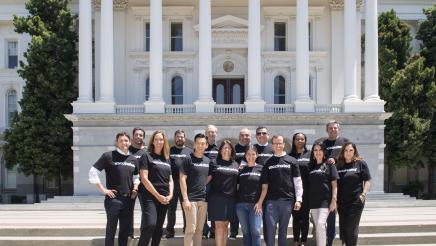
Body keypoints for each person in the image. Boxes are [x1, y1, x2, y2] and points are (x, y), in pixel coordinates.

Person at [88, 132, 139, 246]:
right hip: (113, 199)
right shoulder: (108, 156)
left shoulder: (133, 159)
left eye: (126, 140)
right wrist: (103, 190)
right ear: (117, 142)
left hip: (128, 200)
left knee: (124, 231)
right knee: (111, 230)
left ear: (130, 142)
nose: (123, 143)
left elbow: (136, 176)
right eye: (121, 140)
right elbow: (93, 172)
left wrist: (135, 188)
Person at [263, 135, 303, 246]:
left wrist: (298, 199)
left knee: (283, 230)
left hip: (287, 201)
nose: (278, 145)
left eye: (280, 143)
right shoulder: (268, 162)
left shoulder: (292, 161)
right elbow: (264, 185)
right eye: (275, 143)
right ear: (272, 145)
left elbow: (298, 182)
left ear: (284, 144)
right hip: (271, 201)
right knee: (270, 230)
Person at [137, 130, 173, 246]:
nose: (159, 142)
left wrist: (170, 195)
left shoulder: (167, 158)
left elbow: (170, 180)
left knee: (158, 228)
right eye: (156, 139)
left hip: (164, 197)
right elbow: (144, 178)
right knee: (150, 225)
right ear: (152, 141)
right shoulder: (146, 156)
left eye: (161, 139)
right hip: (150, 196)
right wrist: (158, 196)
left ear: (164, 142)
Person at [320, 121, 349, 246]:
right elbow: (320, 161)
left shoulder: (344, 142)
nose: (333, 130)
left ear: (339, 129)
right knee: (331, 213)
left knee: (343, 214)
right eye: (330, 128)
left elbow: (350, 157)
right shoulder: (323, 144)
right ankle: (329, 240)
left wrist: (335, 159)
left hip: (343, 181)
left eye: (335, 128)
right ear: (327, 130)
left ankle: (344, 239)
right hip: (329, 182)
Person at [337, 142, 371, 246]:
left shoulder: (360, 163)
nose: (348, 153)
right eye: (346, 150)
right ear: (343, 152)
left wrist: (363, 194)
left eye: (351, 150)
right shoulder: (339, 165)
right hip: (341, 202)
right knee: (343, 226)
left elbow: (368, 180)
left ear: (354, 151)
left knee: (351, 227)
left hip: (355, 201)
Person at [180, 133, 211, 246]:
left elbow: (210, 175)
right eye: (198, 143)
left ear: (206, 145)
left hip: (203, 200)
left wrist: (203, 184)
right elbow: (182, 179)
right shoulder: (188, 159)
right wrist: (185, 199)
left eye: (203, 143)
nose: (200, 146)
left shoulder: (207, 161)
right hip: (191, 200)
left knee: (199, 230)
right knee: (190, 230)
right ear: (194, 144)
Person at [208, 140, 239, 246]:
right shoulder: (214, 163)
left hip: (231, 199)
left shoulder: (235, 164)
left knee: (226, 225)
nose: (227, 150)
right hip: (217, 198)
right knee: (219, 226)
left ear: (232, 150)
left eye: (229, 148)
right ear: (220, 150)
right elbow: (207, 179)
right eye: (224, 148)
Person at [236, 145, 268, 246]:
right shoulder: (240, 170)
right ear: (245, 156)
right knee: (246, 232)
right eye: (248, 154)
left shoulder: (262, 169)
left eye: (253, 154)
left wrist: (260, 203)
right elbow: (237, 187)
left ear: (257, 155)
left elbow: (265, 188)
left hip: (255, 205)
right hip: (241, 205)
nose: (250, 156)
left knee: (255, 231)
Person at [308, 142, 339, 246]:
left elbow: (334, 185)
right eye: (315, 150)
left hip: (325, 201)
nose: (318, 152)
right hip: (313, 202)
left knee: (321, 224)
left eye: (320, 150)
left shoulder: (329, 165)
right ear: (313, 152)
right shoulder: (311, 166)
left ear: (324, 152)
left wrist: (334, 200)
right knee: (318, 227)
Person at [165, 129, 192, 238]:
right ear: (175, 138)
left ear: (184, 138)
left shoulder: (190, 151)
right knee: (171, 209)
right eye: (178, 137)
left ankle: (187, 230)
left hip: (186, 184)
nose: (180, 139)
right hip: (172, 184)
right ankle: (170, 231)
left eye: (181, 137)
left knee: (186, 208)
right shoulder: (169, 151)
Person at [230, 128, 252, 240]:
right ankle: (233, 232)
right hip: (235, 182)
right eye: (242, 135)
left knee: (246, 208)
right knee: (235, 208)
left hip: (249, 183)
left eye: (247, 135)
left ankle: (247, 232)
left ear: (250, 137)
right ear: (239, 136)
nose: (245, 137)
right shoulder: (234, 148)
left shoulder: (253, 148)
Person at [289, 133, 311, 246]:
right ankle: (296, 240)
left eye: (302, 139)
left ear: (305, 141)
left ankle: (304, 241)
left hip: (307, 191)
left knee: (305, 218)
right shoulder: (289, 155)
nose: (300, 141)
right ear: (293, 141)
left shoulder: (310, 155)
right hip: (293, 192)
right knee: (296, 217)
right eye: (297, 139)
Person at [128, 127, 147, 239]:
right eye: (137, 134)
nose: (139, 137)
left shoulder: (146, 152)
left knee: (145, 210)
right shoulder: (127, 150)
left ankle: (144, 233)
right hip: (130, 185)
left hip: (144, 185)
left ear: (143, 137)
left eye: (141, 135)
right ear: (133, 136)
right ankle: (129, 233)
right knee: (129, 210)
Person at [203, 124, 219, 238]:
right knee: (203, 208)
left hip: (216, 183)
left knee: (214, 208)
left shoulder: (219, 149)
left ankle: (213, 231)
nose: (212, 134)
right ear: (206, 134)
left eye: (213, 132)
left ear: (216, 134)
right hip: (203, 183)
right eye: (209, 132)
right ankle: (204, 230)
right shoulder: (201, 148)